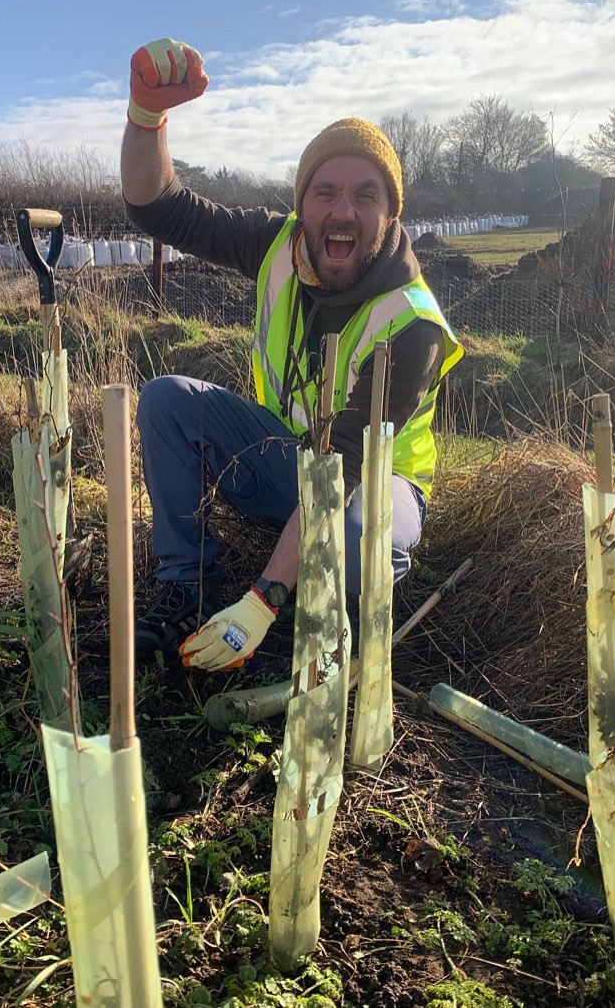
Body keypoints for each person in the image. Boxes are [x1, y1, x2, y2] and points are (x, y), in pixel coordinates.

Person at [121, 38, 463, 672]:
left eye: (366, 195)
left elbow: (347, 467)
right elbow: (156, 205)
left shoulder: (411, 322)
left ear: (389, 214)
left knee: (355, 549)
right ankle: (185, 583)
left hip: (375, 485)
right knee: (167, 399)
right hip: (288, 455)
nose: (342, 209)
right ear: (303, 204)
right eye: (325, 191)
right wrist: (146, 115)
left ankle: (321, 567)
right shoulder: (277, 244)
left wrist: (263, 599)